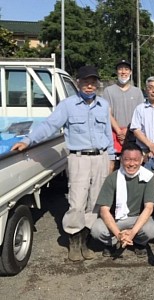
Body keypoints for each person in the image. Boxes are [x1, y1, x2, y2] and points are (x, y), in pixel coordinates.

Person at [11, 66, 114, 261]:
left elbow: (108, 134)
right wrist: (28, 140)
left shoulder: (103, 105)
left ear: (97, 84)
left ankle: (85, 241)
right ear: (78, 83)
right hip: (79, 159)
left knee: (95, 202)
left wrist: (111, 158)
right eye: (85, 82)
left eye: (93, 82)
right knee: (76, 201)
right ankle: (73, 241)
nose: (89, 85)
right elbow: (50, 125)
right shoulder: (67, 105)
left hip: (100, 158)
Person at [91, 143, 154, 258]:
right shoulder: (112, 178)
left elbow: (149, 207)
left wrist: (131, 233)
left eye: (135, 160)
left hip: (137, 217)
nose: (131, 164)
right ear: (121, 160)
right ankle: (112, 243)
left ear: (142, 160)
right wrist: (118, 234)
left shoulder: (148, 177)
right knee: (97, 230)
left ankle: (138, 243)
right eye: (127, 160)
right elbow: (104, 210)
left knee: (150, 231)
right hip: (117, 218)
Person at [103, 59, 145, 163]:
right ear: (116, 71)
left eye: (126, 69)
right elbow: (107, 113)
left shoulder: (137, 92)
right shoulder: (108, 90)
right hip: (114, 134)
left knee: (131, 163)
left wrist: (127, 130)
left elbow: (140, 114)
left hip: (132, 134)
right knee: (114, 164)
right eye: (120, 69)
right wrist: (118, 131)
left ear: (130, 72)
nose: (123, 72)